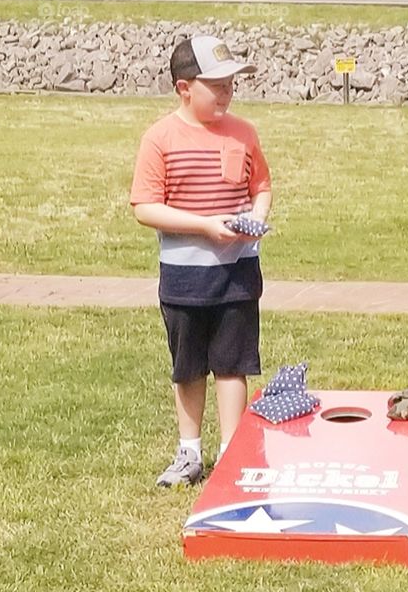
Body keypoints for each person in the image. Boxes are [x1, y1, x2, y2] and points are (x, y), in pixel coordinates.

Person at [130, 34, 272, 487]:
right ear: (183, 88)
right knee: (188, 366)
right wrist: (205, 225)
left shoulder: (244, 133)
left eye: (231, 84)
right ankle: (189, 452)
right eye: (217, 85)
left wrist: (256, 218)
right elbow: (145, 207)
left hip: (237, 276)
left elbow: (261, 188)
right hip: (184, 280)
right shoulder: (160, 138)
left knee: (233, 364)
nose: (227, 93)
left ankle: (232, 452)